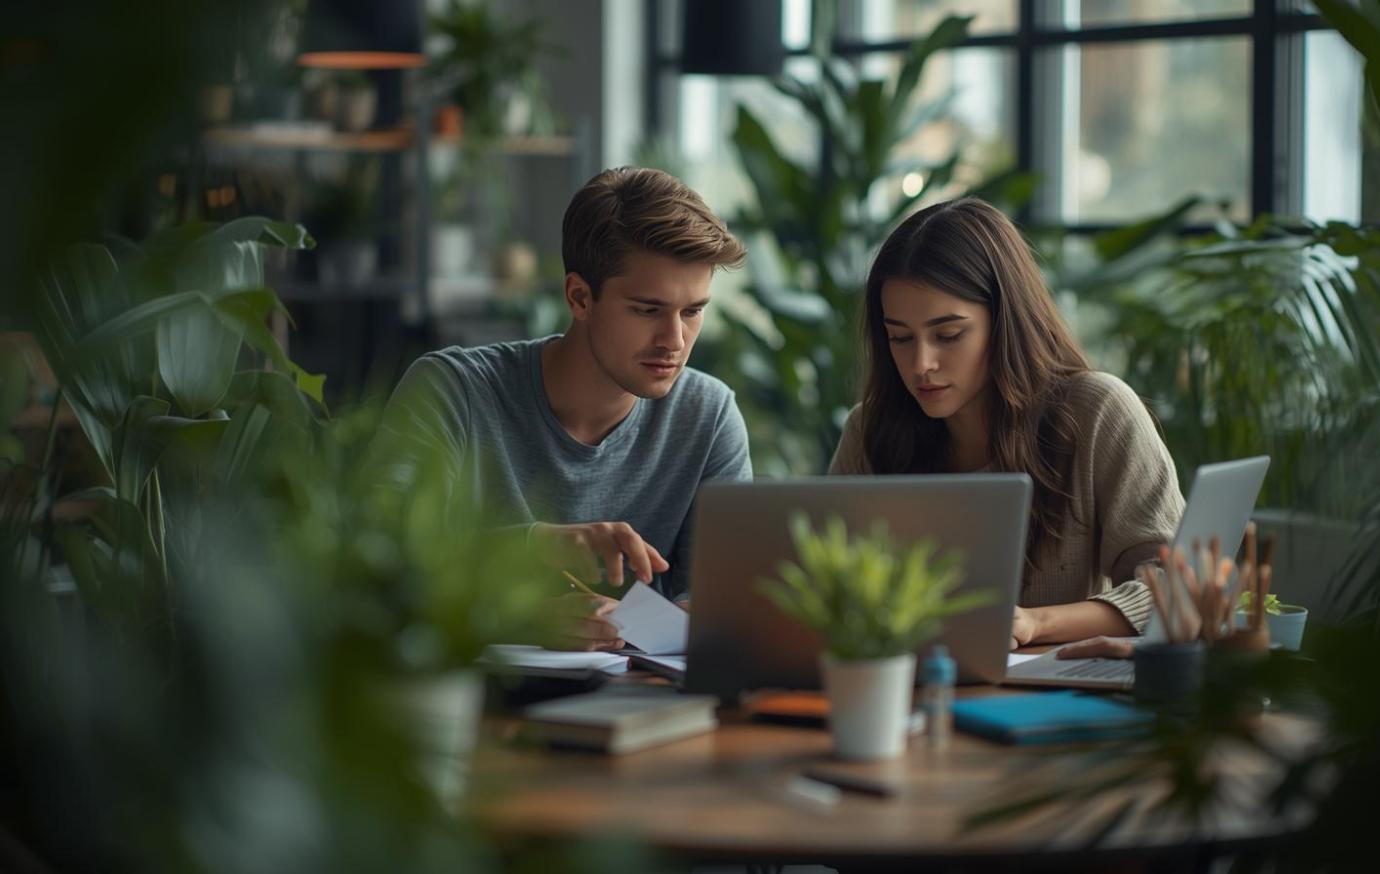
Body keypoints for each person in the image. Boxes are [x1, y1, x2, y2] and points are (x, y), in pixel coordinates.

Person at [380, 167, 752, 651]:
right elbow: (379, 564)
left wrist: (639, 625)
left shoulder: (709, 416)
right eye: (647, 310)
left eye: (693, 311)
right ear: (579, 297)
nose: (674, 341)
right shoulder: (452, 392)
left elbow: (723, 602)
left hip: (644, 707)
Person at [829, 198, 1184, 647]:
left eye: (948, 335)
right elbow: (828, 591)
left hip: (1056, 701)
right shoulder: (870, 429)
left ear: (1006, 321)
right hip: (907, 694)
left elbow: (1176, 585)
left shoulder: (1097, 411)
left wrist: (1036, 624)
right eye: (900, 338)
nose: (922, 363)